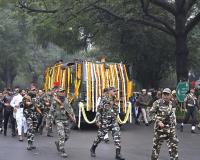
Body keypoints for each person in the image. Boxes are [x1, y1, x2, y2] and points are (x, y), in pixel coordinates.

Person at [90, 87, 125, 160]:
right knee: (99, 137)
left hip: (113, 121)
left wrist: (115, 109)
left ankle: (118, 154)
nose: (115, 92)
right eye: (114, 91)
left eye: (116, 91)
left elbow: (116, 110)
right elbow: (99, 111)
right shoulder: (104, 99)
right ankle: (93, 148)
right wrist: (98, 121)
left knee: (117, 137)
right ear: (109, 92)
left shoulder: (115, 100)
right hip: (105, 122)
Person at [150, 88, 178, 160]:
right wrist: (158, 121)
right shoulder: (157, 103)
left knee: (174, 148)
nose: (165, 96)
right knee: (156, 148)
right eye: (164, 94)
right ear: (162, 95)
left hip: (170, 129)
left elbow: (173, 114)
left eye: (167, 94)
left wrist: (174, 123)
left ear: (170, 95)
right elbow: (151, 113)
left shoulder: (172, 103)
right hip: (160, 130)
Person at [48, 87, 76, 158]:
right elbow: (51, 112)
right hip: (58, 120)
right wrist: (48, 123)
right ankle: (62, 150)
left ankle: (58, 143)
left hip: (65, 120)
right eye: (61, 91)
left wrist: (73, 116)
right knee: (62, 136)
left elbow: (70, 109)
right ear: (57, 93)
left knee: (67, 136)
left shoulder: (66, 100)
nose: (62, 92)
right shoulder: (55, 101)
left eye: (63, 91)